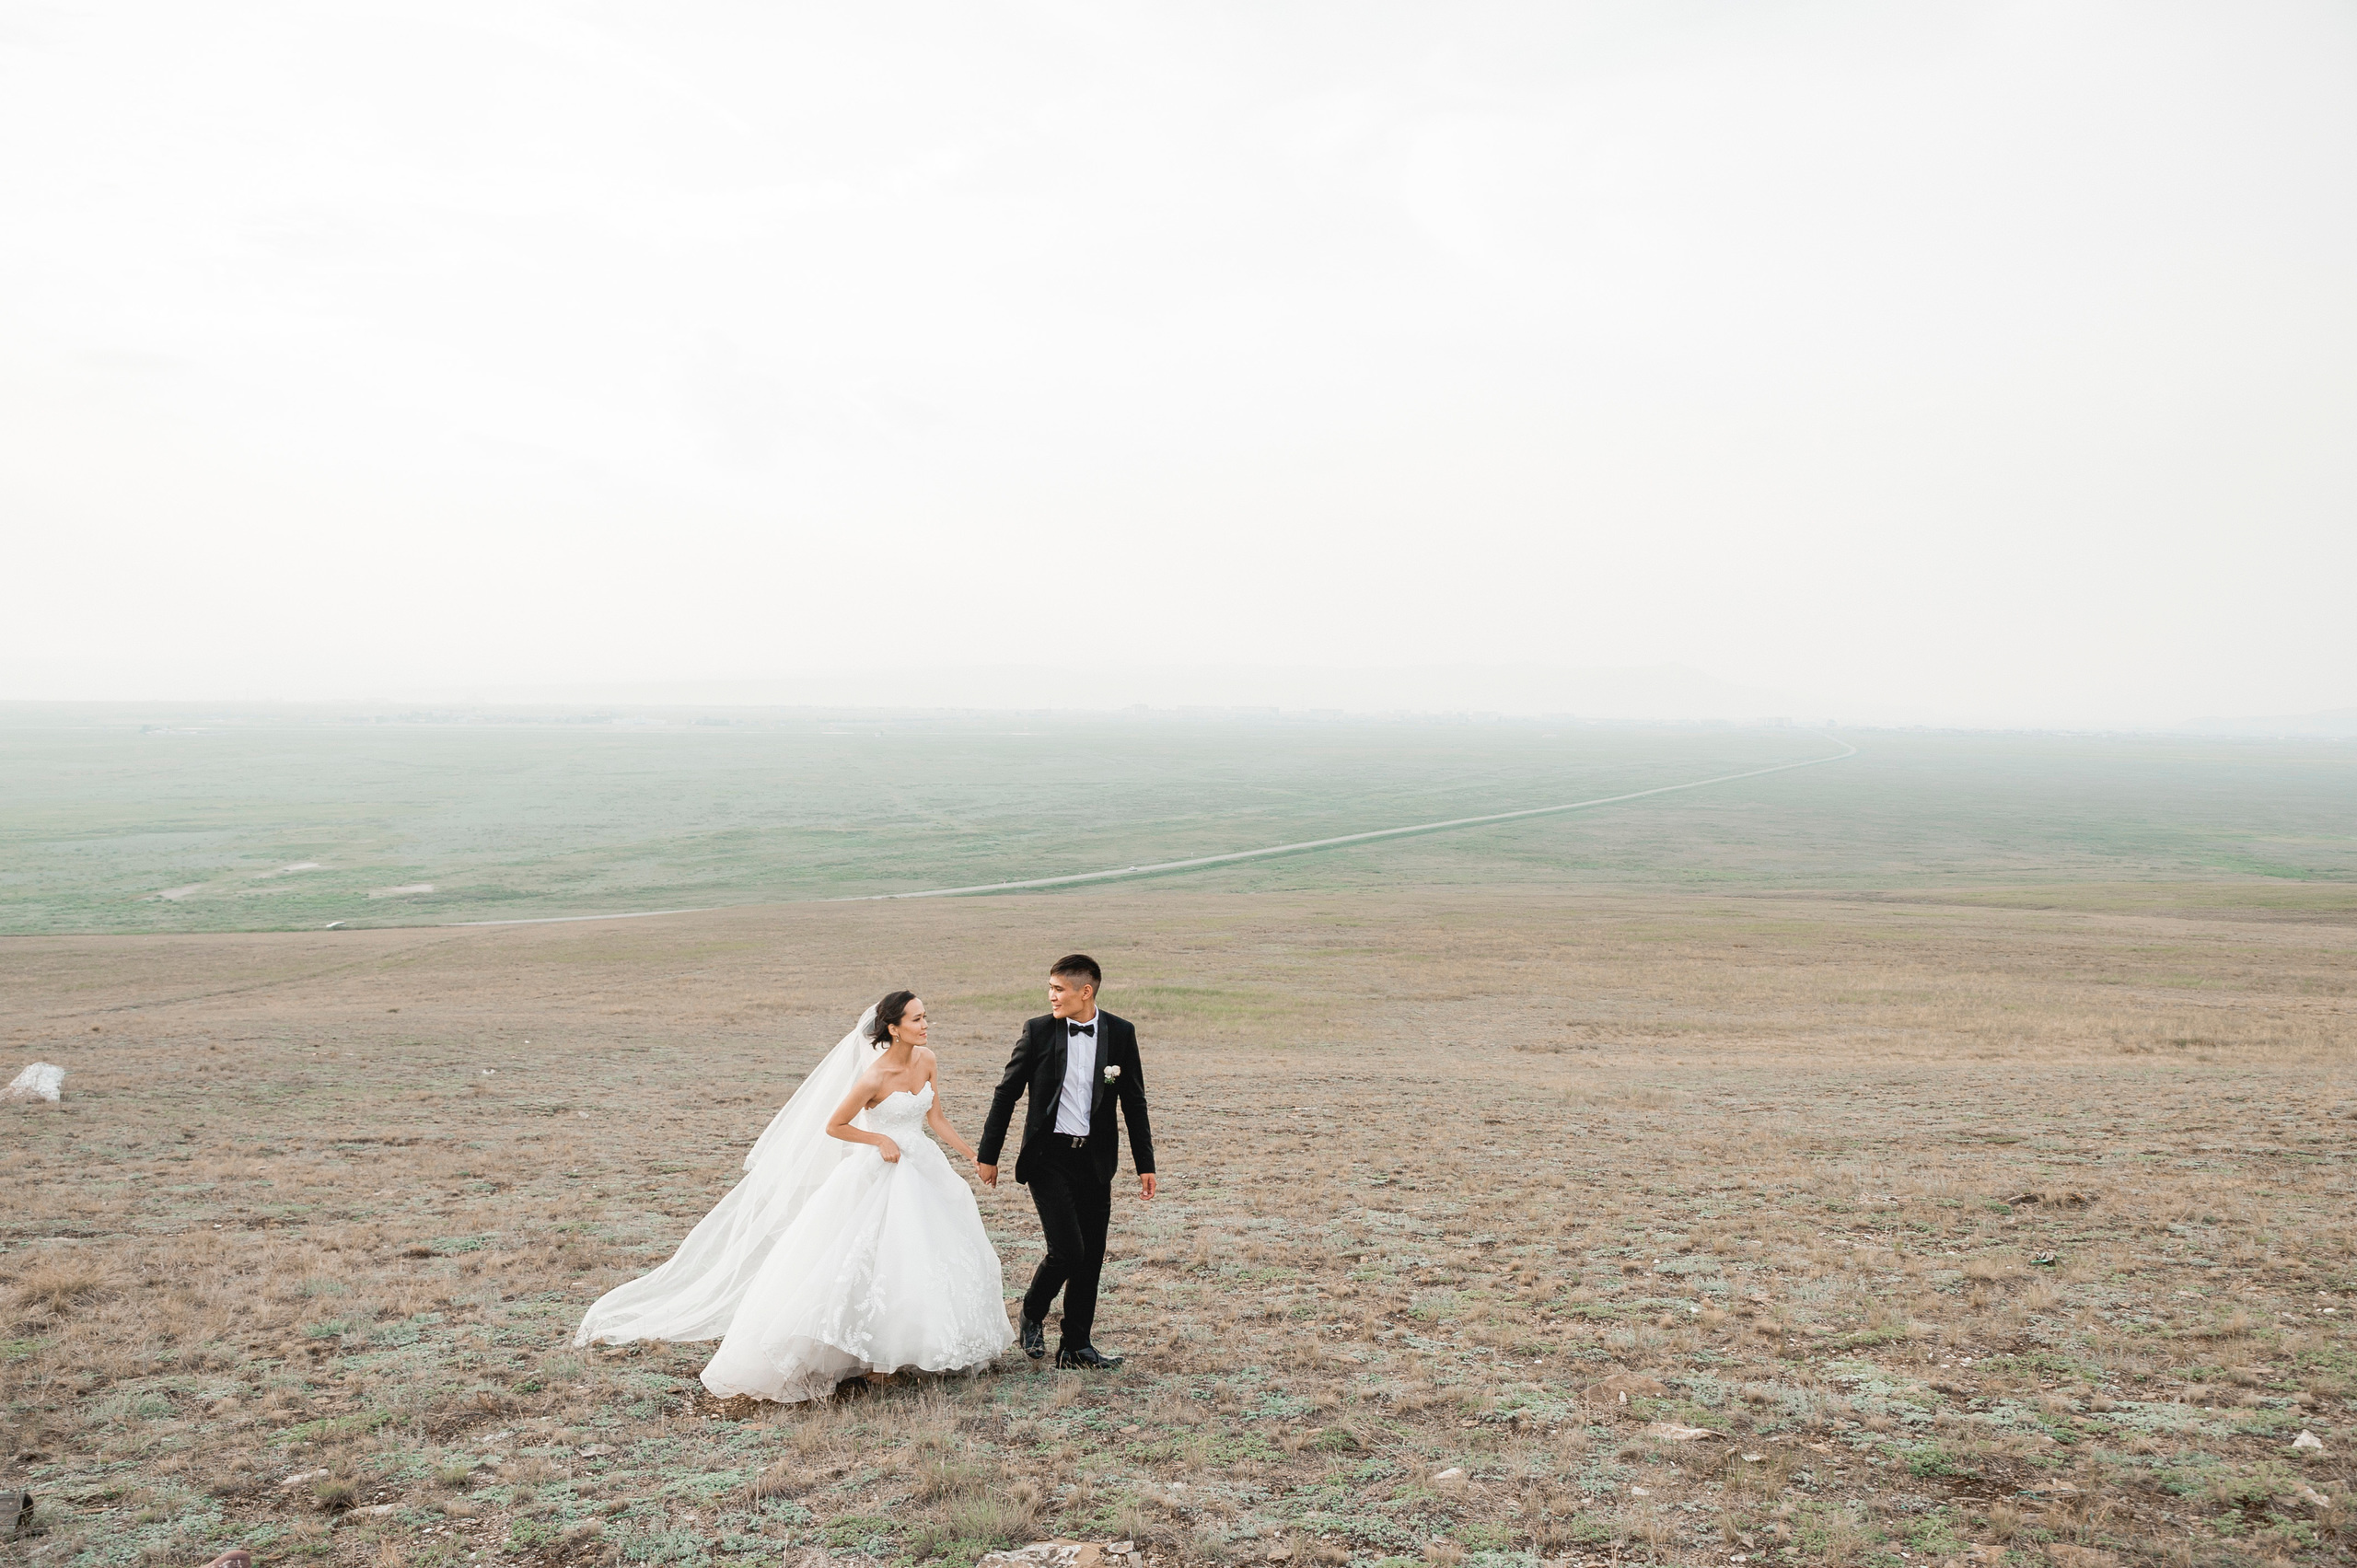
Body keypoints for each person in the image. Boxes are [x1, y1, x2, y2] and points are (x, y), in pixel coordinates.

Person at [575, 992, 1014, 1403]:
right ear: (894, 1028)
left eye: (925, 1017)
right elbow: (835, 1125)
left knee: (930, 1254)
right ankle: (874, 1356)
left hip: (923, 1165)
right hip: (883, 1170)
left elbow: (934, 1114)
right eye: (918, 1019)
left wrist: (973, 1156)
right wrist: (878, 1138)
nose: (926, 1025)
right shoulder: (875, 1076)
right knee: (872, 1257)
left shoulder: (928, 1059)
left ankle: (917, 1344)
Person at [976, 954, 1156, 1369]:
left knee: (1091, 1254)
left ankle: (1076, 1347)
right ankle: (1032, 1313)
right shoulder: (1038, 1032)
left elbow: (1134, 1101)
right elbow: (1007, 1094)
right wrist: (989, 1154)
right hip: (1048, 1157)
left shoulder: (1121, 1033)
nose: (1051, 996)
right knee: (1068, 1250)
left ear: (1085, 992)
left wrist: (1145, 1162)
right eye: (1050, 989)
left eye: (1059, 989)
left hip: (1094, 1159)